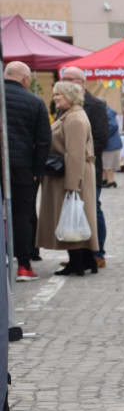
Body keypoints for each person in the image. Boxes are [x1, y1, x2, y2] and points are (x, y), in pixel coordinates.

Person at [37, 81, 100, 276]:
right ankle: (87, 260)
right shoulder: (70, 116)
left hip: (71, 175)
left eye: (60, 95)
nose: (55, 98)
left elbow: (74, 153)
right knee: (74, 217)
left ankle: (77, 262)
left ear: (71, 97)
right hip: (70, 174)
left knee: (71, 217)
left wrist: (72, 184)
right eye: (55, 94)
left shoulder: (74, 119)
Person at [3, 61, 50, 282]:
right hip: (21, 166)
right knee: (23, 214)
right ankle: (23, 265)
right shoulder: (35, 101)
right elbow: (43, 141)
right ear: (25, 79)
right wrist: (36, 170)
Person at [60, 67, 108, 269]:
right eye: (65, 79)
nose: (69, 82)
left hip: (90, 167)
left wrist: (81, 154)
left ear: (83, 82)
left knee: (93, 208)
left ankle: (98, 252)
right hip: (70, 166)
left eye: (72, 79)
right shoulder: (63, 105)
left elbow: (101, 138)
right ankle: (80, 254)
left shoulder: (95, 105)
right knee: (74, 209)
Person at [101, 104, 121, 188]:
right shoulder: (108, 112)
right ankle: (105, 179)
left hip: (110, 144)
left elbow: (113, 126)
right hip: (112, 143)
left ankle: (111, 181)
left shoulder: (107, 113)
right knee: (105, 163)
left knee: (107, 165)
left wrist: (105, 134)